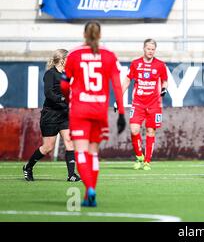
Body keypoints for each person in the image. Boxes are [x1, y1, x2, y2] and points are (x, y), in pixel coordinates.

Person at [61, 21, 126, 207]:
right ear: (100, 34)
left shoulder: (74, 54)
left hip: (80, 109)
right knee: (93, 154)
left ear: (84, 34)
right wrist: (121, 113)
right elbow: (116, 85)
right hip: (99, 111)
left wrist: (69, 98)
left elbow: (64, 85)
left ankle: (89, 189)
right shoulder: (108, 55)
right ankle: (91, 193)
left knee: (80, 151)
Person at [22, 49, 80, 182]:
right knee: (48, 147)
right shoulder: (50, 74)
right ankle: (28, 167)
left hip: (64, 114)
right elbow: (49, 94)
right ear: (62, 59)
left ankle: (71, 174)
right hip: (51, 115)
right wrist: (63, 99)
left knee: (70, 142)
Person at [120, 39, 168, 170]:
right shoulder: (136, 64)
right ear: (144, 49)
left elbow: (164, 81)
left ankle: (147, 161)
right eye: (148, 49)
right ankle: (139, 155)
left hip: (154, 104)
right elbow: (128, 80)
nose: (150, 51)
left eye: (153, 49)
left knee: (150, 131)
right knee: (134, 129)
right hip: (138, 103)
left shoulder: (160, 65)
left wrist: (164, 89)